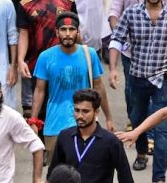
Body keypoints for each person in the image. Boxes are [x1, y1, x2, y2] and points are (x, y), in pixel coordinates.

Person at [108, 0, 167, 181]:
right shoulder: (132, 13)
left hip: (162, 79)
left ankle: (159, 177)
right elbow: (116, 39)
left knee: (161, 128)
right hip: (137, 77)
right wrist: (112, 68)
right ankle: (142, 152)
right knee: (137, 120)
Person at [31, 12, 114, 161]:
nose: (67, 34)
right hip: (54, 125)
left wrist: (108, 117)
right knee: (58, 174)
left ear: (78, 32)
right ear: (57, 32)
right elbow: (39, 90)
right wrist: (33, 121)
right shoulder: (46, 57)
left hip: (85, 124)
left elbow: (98, 87)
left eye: (71, 29)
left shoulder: (89, 54)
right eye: (63, 29)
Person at [48, 88, 135, 183]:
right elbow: (53, 174)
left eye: (85, 111)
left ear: (96, 112)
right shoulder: (64, 136)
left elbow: (125, 177)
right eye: (77, 110)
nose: (80, 116)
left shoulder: (111, 141)